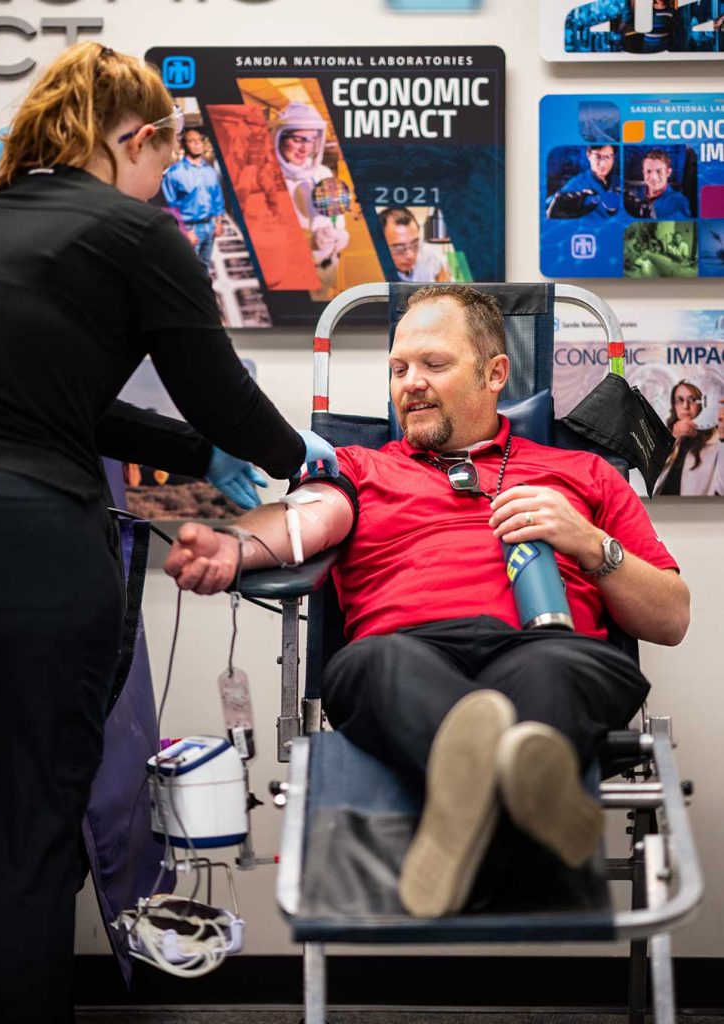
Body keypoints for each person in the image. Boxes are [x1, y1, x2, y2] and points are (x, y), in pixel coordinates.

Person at [0, 42, 337, 1024]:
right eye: (158, 158)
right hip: (27, 554)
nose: (161, 179)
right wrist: (300, 454)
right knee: (23, 833)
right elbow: (221, 393)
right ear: (130, 139)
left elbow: (66, 408)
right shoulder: (134, 232)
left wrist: (189, 452)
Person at [166, 284, 690, 920]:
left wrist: (589, 543)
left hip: (547, 648)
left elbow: (669, 618)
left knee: (564, 667)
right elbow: (305, 520)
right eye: (398, 367)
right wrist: (232, 546)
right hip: (403, 655)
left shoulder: (584, 474)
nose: (410, 382)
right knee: (369, 664)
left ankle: (465, 816)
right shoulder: (361, 467)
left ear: (496, 373)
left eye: (433, 364)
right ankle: (526, 807)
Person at [269, 101, 350, 295]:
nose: (304, 149)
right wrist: (309, 242)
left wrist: (340, 236)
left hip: (324, 276)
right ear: (279, 137)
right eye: (298, 139)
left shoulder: (322, 173)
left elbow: (337, 218)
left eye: (311, 140)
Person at [161, 125, 225, 275]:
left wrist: (219, 223)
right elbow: (170, 208)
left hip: (209, 225)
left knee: (205, 267)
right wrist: (184, 231)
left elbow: (217, 199)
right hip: (189, 229)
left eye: (199, 140)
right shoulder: (174, 173)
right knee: (187, 271)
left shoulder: (209, 171)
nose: (197, 143)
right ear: (184, 144)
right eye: (192, 140)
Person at [654, 380, 723, 496]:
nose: (685, 406)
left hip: (694, 511)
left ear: (702, 403)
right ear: (674, 405)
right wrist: (673, 438)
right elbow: (649, 477)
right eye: (680, 400)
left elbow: (722, 490)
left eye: (692, 400)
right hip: (660, 509)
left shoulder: (716, 440)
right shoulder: (664, 437)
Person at [545, 145, 620, 220]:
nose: (603, 163)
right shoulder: (577, 184)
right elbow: (551, 202)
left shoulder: (618, 181)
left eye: (608, 157)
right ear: (588, 155)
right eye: (597, 156)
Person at [379, 206, 451, 282]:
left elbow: (443, 282)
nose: (410, 256)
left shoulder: (430, 257)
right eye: (399, 249)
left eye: (415, 245)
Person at [625, 148, 691, 219]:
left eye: (659, 171)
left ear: (668, 172)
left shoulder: (678, 202)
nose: (653, 177)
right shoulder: (633, 194)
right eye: (649, 171)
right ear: (643, 172)